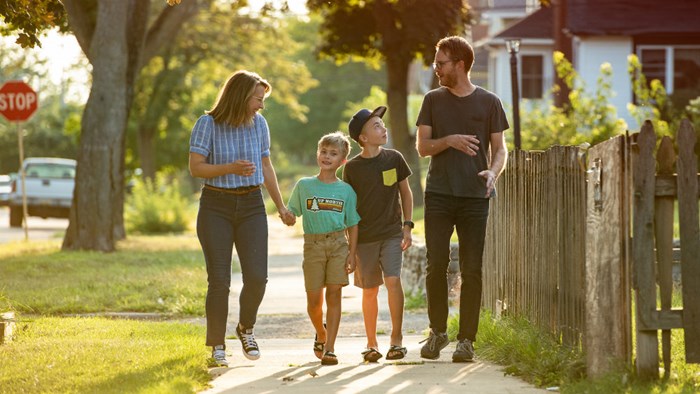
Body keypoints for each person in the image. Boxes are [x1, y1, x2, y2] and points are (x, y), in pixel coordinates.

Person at [188, 70, 294, 367]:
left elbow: (266, 165)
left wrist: (281, 206)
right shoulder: (207, 124)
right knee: (219, 280)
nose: (261, 105)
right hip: (216, 207)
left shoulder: (259, 123)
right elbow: (196, 167)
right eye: (258, 99)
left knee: (258, 277)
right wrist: (230, 168)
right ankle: (217, 345)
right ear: (241, 96)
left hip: (251, 205)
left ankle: (245, 328)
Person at [415, 36, 509, 362]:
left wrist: (493, 172)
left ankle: (466, 340)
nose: (436, 68)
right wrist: (450, 140)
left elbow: (500, 150)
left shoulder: (490, 102)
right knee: (436, 264)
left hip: (474, 197)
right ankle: (438, 332)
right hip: (439, 193)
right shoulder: (432, 100)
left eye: (441, 63)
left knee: (472, 270)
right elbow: (423, 147)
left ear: (459, 64)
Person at [342, 106, 414, 362]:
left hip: (392, 233)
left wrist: (407, 225)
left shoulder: (394, 158)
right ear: (362, 138)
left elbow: (405, 192)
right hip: (364, 239)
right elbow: (349, 209)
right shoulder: (351, 168)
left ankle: (396, 340)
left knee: (393, 281)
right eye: (376, 126)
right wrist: (350, 247)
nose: (383, 129)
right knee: (369, 290)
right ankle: (371, 343)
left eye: (382, 125)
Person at [286, 131, 361, 366]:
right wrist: (287, 216)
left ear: (342, 160)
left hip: (339, 244)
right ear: (317, 154)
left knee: (335, 295)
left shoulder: (346, 191)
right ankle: (321, 331)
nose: (327, 157)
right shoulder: (304, 185)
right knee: (314, 302)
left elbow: (353, 224)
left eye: (333, 153)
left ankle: (330, 348)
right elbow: (292, 214)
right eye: (323, 152)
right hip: (313, 245)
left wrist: (352, 253)